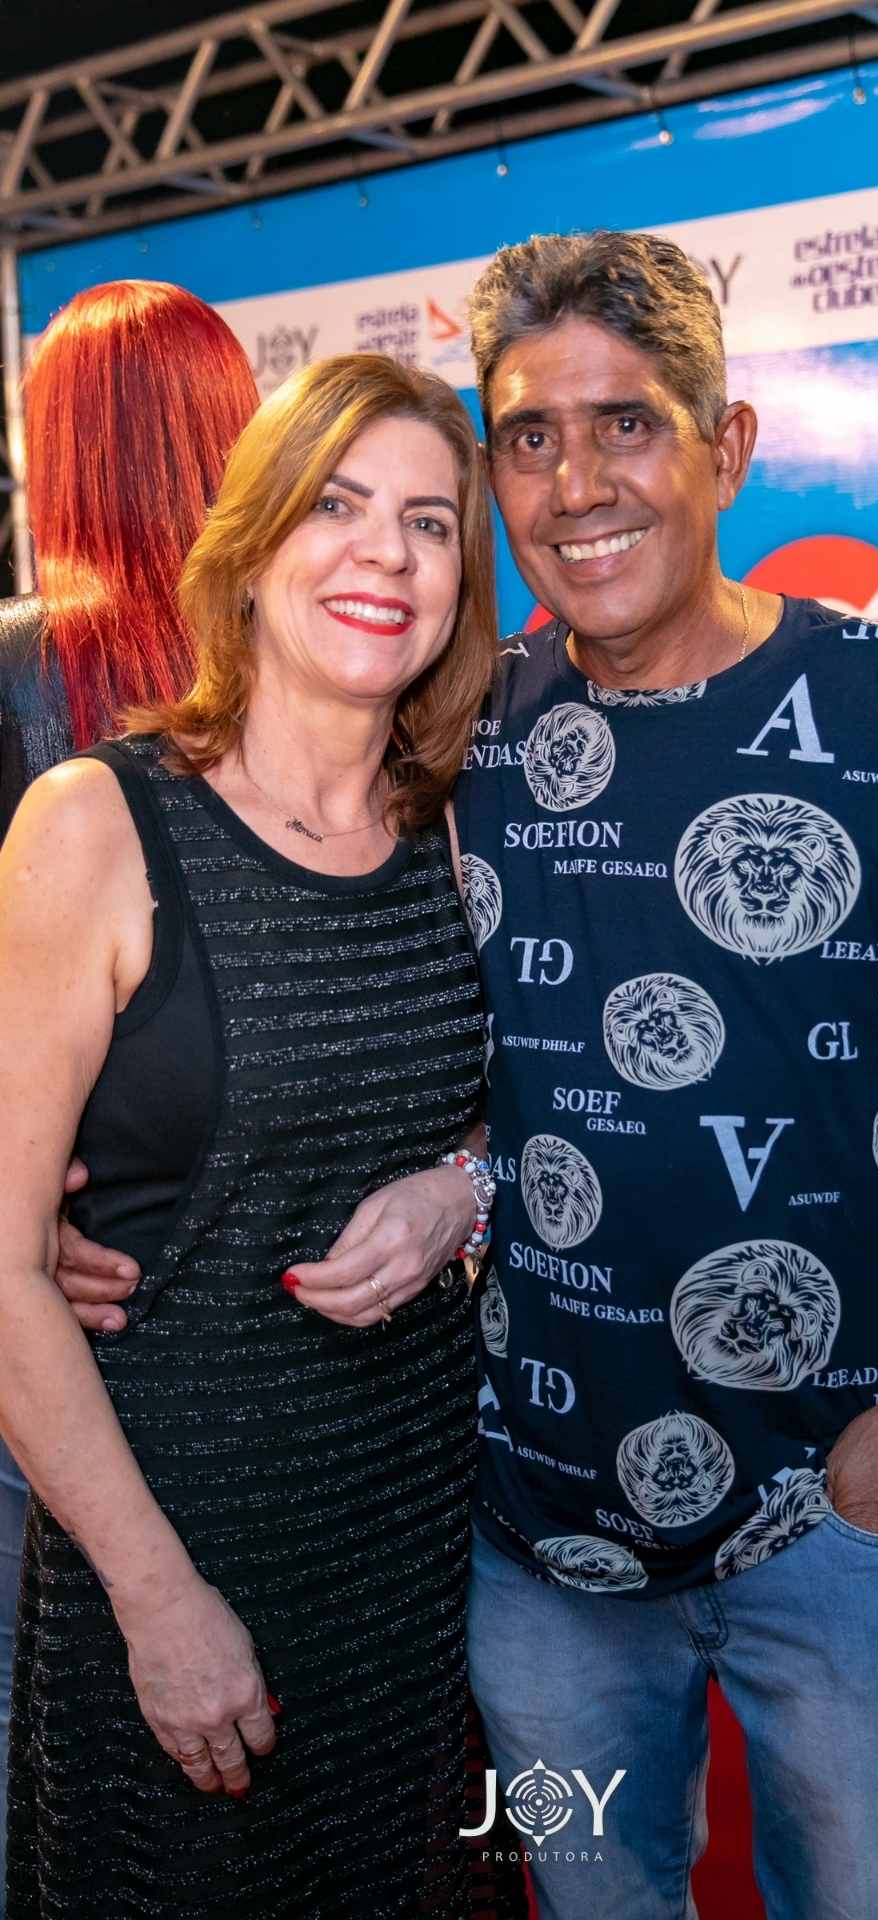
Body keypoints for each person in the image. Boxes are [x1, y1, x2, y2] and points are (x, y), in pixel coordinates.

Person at [59, 233, 878, 1918]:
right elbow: (381, 1025)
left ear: (728, 448)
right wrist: (82, 1193)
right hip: (540, 1553)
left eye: (627, 426)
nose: (577, 483)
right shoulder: (472, 731)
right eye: (529, 436)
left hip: (850, 1528)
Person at [0, 350, 497, 1917]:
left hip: (425, 1559)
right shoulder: (96, 825)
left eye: (428, 522)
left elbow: (530, 1117)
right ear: (254, 540)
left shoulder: (464, 826)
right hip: (175, 1562)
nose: (384, 554)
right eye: (337, 505)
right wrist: (158, 1603)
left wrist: (464, 1187)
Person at [0, 278, 258, 1911]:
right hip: (264, 1311)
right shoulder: (304, 666)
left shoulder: (24, 667)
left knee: (53, 1760)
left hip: (52, 1319)